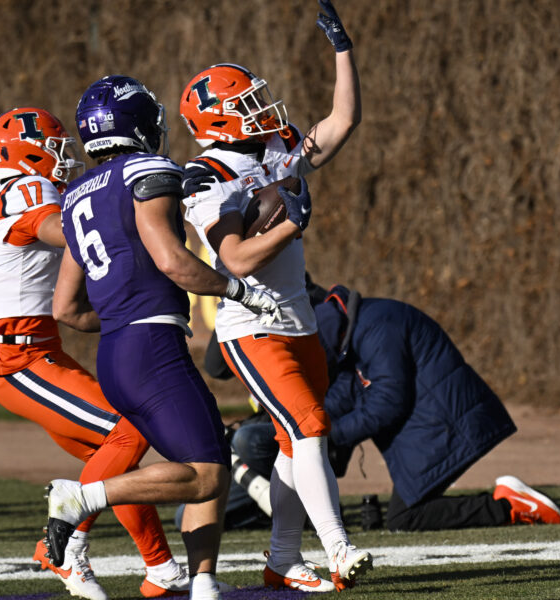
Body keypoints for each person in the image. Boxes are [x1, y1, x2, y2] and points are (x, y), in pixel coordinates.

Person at [48, 75, 280, 600]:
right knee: (205, 474)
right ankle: (81, 498)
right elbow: (173, 262)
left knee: (207, 460)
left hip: (118, 352)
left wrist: (122, 318)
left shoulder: (77, 194)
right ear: (140, 123)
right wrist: (240, 291)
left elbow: (65, 308)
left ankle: (202, 581)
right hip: (151, 347)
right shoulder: (146, 171)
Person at [178, 1, 370, 592]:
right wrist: (291, 224)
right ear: (215, 121)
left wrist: (343, 48)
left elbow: (341, 121)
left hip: (298, 318)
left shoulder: (272, 147)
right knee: (309, 426)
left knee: (298, 436)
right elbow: (233, 257)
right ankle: (338, 550)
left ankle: (283, 557)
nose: (262, 110)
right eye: (245, 105)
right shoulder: (205, 175)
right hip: (249, 324)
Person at [0, 107, 189, 600]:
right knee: (130, 428)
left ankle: (162, 569)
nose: (65, 158)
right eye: (56, 147)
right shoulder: (27, 191)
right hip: (19, 359)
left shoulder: (0, 195)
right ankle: (60, 545)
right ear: (26, 153)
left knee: (114, 461)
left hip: (35, 353)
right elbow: (71, 236)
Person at [197, 283, 560, 532]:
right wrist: (308, 421)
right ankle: (508, 505)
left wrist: (327, 434)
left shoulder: (376, 327)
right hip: (430, 417)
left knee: (405, 517)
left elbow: (388, 401)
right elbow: (350, 394)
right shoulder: (356, 327)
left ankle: (510, 506)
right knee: (404, 516)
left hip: (442, 418)